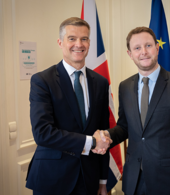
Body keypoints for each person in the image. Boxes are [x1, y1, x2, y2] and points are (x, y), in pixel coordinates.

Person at [97, 27, 170, 195]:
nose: (143, 52)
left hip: (169, 182)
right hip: (134, 181)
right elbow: (124, 127)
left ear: (157, 48)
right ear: (130, 54)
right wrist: (106, 136)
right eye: (137, 48)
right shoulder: (125, 87)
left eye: (148, 46)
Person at [26, 17, 112, 195]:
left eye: (84, 39)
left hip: (89, 178)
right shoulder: (42, 81)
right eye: (71, 38)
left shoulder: (101, 83)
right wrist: (91, 142)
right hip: (52, 178)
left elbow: (103, 132)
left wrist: (103, 181)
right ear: (60, 42)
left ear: (89, 43)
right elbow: (42, 133)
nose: (78, 44)